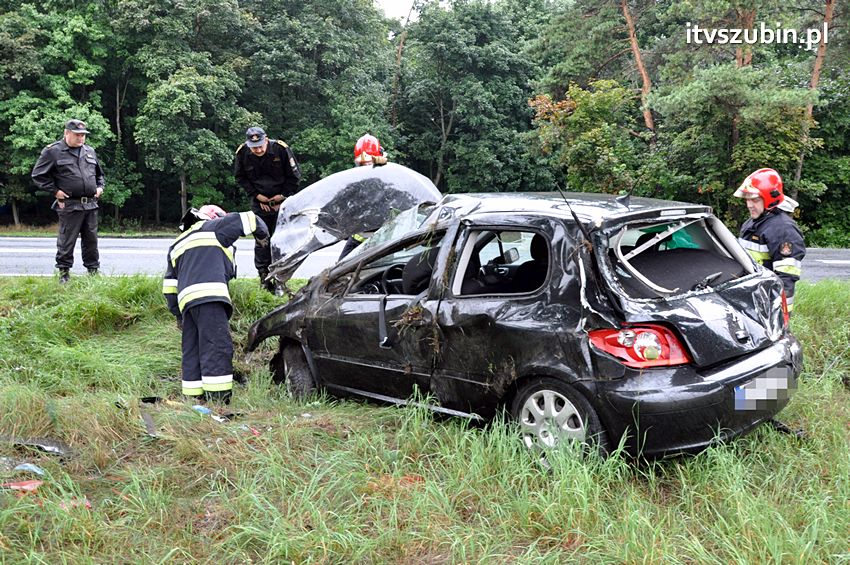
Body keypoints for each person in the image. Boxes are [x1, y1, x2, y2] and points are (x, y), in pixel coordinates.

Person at [162, 205, 270, 404]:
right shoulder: (215, 227)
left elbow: (169, 287)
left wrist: (178, 315)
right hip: (210, 297)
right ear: (214, 217)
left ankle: (193, 399)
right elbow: (251, 219)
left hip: (187, 304)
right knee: (216, 347)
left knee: (192, 350)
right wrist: (262, 239)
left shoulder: (177, 243)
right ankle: (218, 400)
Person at [31, 119, 105, 284]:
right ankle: (64, 273)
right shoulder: (53, 151)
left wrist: (100, 187)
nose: (81, 138)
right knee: (67, 239)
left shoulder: (90, 151)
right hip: (69, 204)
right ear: (67, 133)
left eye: (83, 135)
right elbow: (38, 175)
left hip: (91, 204)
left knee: (91, 240)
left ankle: (93, 271)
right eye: (77, 135)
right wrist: (55, 191)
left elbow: (100, 175)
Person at [234, 126, 301, 292]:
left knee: (282, 241)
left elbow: (295, 176)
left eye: (260, 146)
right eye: (253, 147)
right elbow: (240, 178)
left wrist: (282, 196)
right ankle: (264, 278)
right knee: (262, 241)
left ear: (266, 139)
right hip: (260, 202)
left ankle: (281, 280)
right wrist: (257, 195)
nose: (257, 150)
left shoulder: (281, 149)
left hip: (283, 202)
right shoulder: (243, 152)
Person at [734, 168, 806, 313]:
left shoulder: (783, 229)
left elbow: (786, 277)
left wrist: (776, 313)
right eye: (747, 199)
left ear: (770, 199)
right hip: (750, 299)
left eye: (754, 200)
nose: (749, 205)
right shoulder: (752, 223)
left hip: (769, 307)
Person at [338, 134, 388, 260]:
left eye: (368, 164)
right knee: (339, 270)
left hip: (380, 241)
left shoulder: (386, 177)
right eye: (362, 164)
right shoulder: (355, 180)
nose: (365, 168)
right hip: (356, 238)